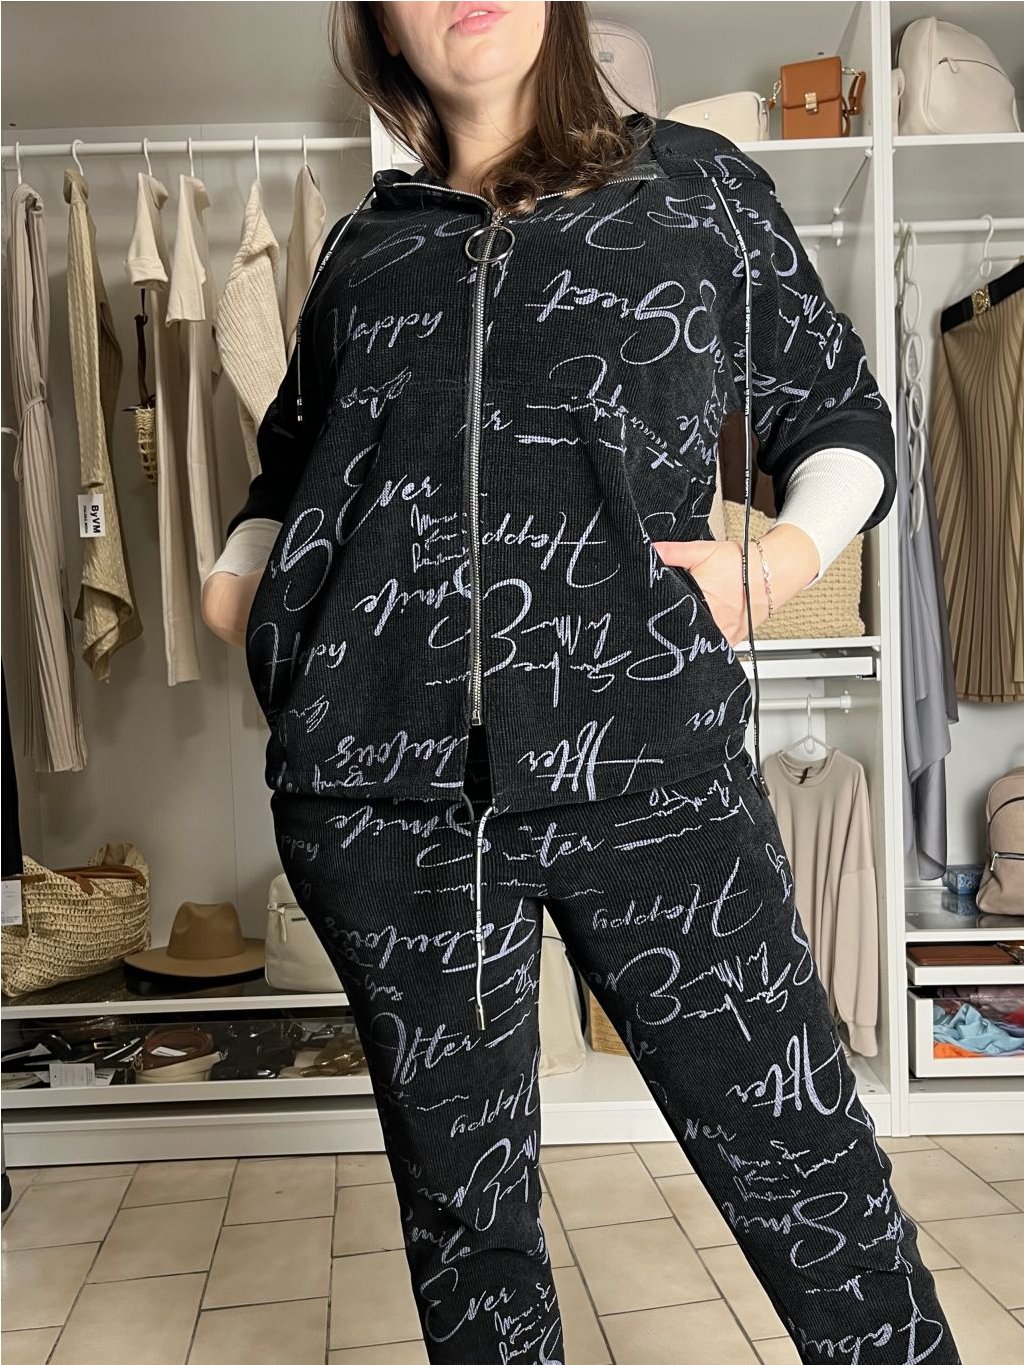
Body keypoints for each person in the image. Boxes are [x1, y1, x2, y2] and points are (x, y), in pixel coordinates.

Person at [202, 4, 962, 1362]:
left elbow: (837, 409)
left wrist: (782, 558)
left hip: (651, 767)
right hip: (386, 798)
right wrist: (242, 578)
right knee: (468, 1227)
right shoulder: (366, 245)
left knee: (812, 1178)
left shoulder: (691, 186)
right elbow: (290, 468)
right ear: (379, 27)